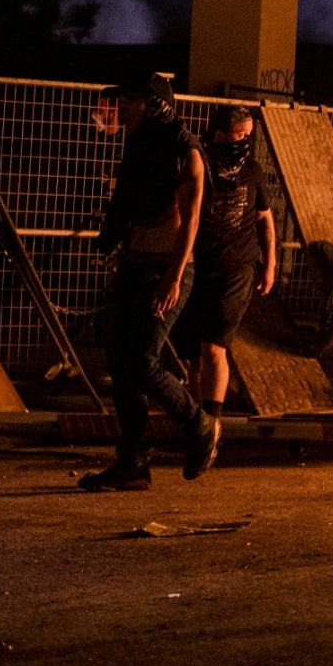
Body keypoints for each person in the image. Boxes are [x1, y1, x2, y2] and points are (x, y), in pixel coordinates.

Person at [77, 75, 214, 491]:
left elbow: (190, 222)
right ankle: (132, 464)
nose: (121, 110)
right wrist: (113, 240)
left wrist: (173, 278)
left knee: (142, 361)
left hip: (165, 269)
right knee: (120, 366)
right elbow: (129, 201)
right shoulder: (139, 145)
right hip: (135, 264)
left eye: (131, 102)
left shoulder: (184, 150)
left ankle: (199, 424)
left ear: (152, 104)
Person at [180, 104, 276, 454]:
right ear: (221, 133)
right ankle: (194, 427)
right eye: (241, 135)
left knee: (214, 348)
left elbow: (265, 220)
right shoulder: (199, 163)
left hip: (236, 268)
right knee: (192, 356)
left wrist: (270, 264)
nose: (246, 142)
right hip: (198, 266)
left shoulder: (252, 171)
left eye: (249, 136)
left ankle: (211, 427)